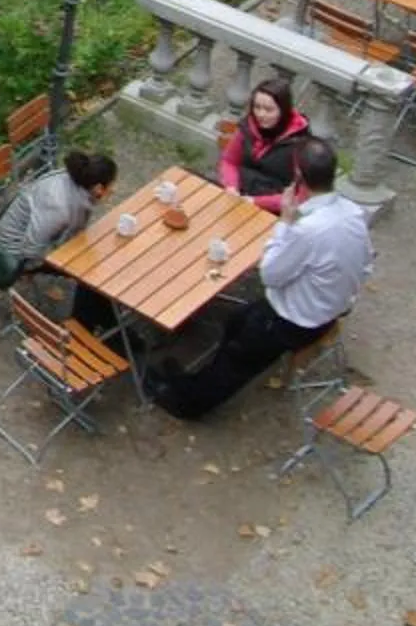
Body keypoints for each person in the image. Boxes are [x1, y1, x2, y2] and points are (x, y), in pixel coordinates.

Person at [150, 136, 371, 421]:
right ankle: (197, 376)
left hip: (295, 319)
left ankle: (188, 403)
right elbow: (365, 264)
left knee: (241, 353)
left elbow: (270, 275)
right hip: (326, 307)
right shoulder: (353, 213)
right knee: (235, 321)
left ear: (300, 178)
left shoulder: (308, 229)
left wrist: (285, 223)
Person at [0, 150, 119, 281]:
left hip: (23, 237)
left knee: (84, 254)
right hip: (8, 254)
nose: (114, 190)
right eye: (112, 185)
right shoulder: (59, 209)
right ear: (98, 188)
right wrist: (62, 258)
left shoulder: (71, 180)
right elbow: (30, 249)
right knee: (82, 266)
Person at [218, 76, 310, 214]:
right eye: (257, 107)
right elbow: (229, 161)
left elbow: (300, 195)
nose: (261, 114)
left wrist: (256, 202)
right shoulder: (248, 127)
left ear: (283, 110)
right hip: (237, 195)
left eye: (269, 110)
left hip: (271, 210)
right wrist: (231, 186)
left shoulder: (301, 144)